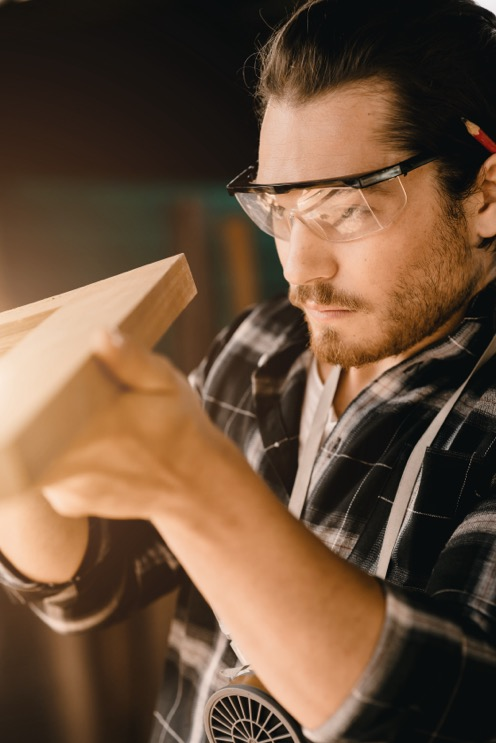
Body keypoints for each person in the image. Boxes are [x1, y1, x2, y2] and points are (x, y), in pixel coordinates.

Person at [1, 0, 496, 741]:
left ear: (485, 196)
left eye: (346, 209)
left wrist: (195, 482)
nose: (299, 270)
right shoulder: (259, 344)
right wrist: (17, 456)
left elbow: (442, 708)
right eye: (280, 209)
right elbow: (92, 584)